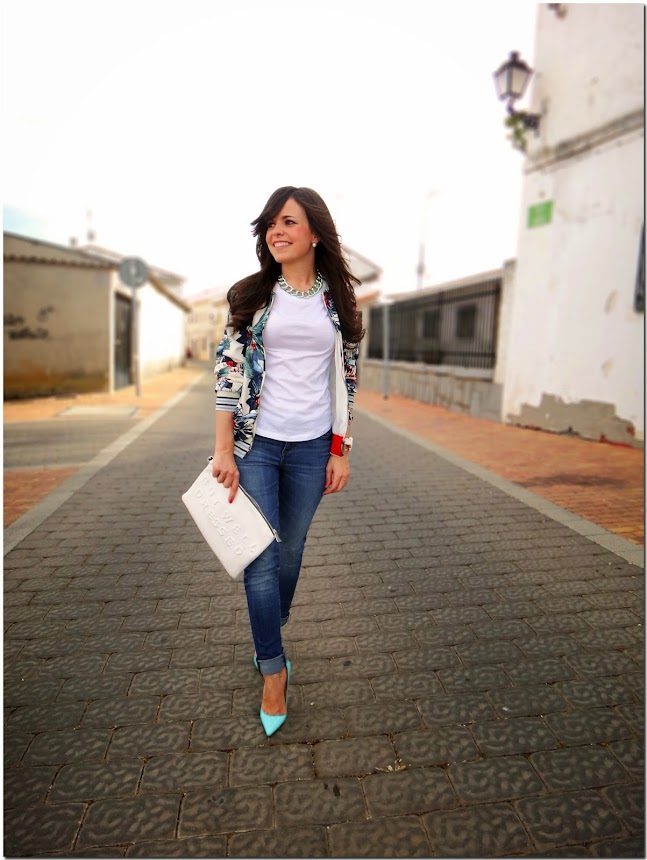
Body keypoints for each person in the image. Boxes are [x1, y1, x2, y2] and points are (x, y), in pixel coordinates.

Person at [211, 186, 364, 736]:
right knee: (261, 557)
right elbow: (229, 372)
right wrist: (223, 449)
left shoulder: (338, 303)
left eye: (289, 222)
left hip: (311, 446)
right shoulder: (251, 295)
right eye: (272, 223)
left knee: (291, 552)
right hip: (257, 445)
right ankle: (273, 670)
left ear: (315, 233)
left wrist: (341, 450)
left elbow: (347, 381)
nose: (277, 231)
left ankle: (268, 627)